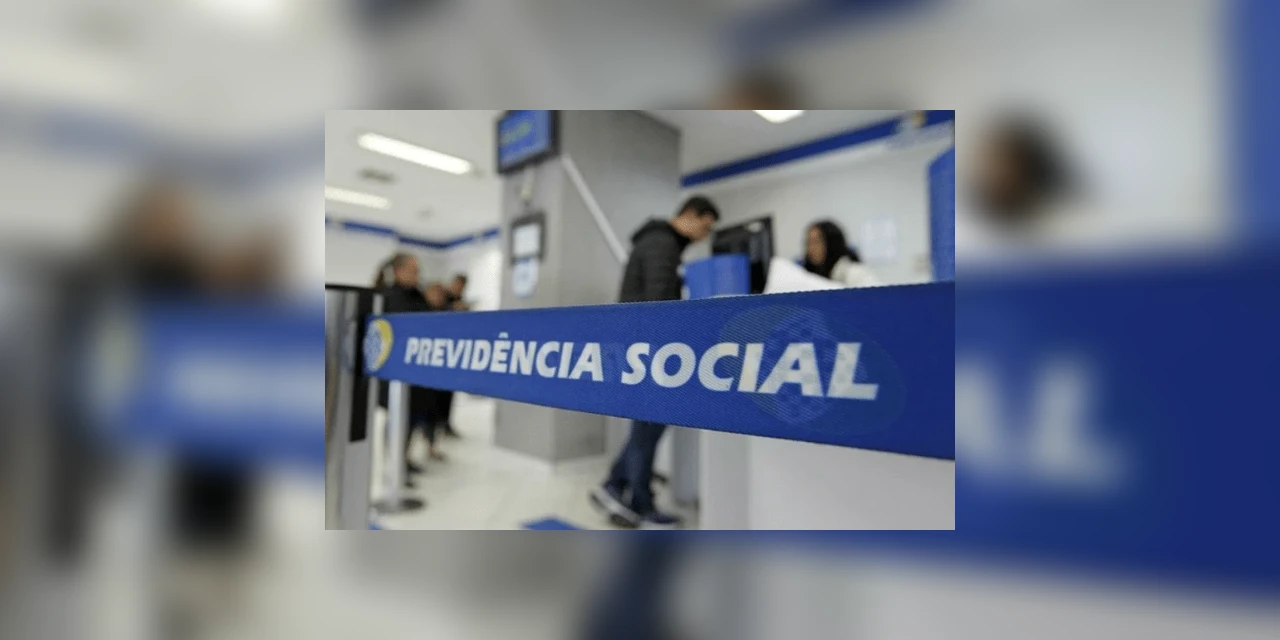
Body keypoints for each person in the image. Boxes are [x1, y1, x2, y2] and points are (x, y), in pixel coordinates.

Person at [590, 195, 720, 529]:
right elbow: (661, 302)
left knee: (646, 426)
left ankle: (614, 485)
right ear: (690, 215)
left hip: (641, 346)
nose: (704, 235)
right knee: (649, 425)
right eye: (705, 226)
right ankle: (640, 504)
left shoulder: (657, 241)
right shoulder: (663, 244)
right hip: (649, 349)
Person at [375, 254, 445, 478]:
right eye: (413, 270)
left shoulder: (418, 296)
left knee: (413, 421)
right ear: (398, 271)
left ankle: (403, 459)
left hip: (418, 375)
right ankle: (394, 465)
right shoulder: (389, 297)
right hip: (397, 374)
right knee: (398, 421)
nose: (417, 274)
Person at [802, 220, 880, 288]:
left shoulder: (855, 273)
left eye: (816, 242)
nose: (811, 248)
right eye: (808, 243)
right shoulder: (810, 277)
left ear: (832, 243)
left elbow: (877, 297)